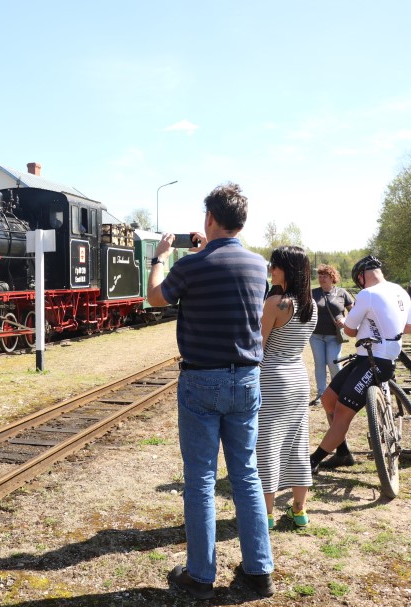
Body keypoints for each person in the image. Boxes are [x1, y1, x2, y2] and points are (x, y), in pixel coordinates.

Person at [147, 183, 274, 599]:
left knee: (201, 479)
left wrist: (160, 258)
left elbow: (154, 298)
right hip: (247, 379)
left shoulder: (192, 265)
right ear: (242, 222)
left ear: (209, 218)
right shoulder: (258, 266)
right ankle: (259, 571)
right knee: (246, 475)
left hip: (202, 379)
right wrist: (205, 252)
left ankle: (201, 576)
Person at [309, 255, 411, 472]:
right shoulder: (400, 290)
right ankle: (342, 453)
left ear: (361, 276)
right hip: (367, 358)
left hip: (374, 360)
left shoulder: (367, 294)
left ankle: (312, 460)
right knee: (328, 399)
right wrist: (386, 333)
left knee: (342, 412)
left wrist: (356, 327)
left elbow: (349, 330)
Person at [258, 246, 317, 530]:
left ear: (289, 269)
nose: (271, 270)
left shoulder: (276, 303)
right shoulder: (312, 305)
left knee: (267, 445)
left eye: (275, 266)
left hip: (272, 379)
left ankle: (266, 514)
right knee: (297, 443)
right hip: (298, 378)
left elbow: (258, 346)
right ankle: (299, 510)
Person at [308, 264, 354, 406]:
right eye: (320, 276)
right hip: (316, 336)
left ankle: (337, 392)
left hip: (334, 336)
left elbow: (354, 311)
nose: (321, 279)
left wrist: (345, 319)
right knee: (319, 364)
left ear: (332, 277)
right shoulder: (312, 293)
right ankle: (321, 394)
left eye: (325, 276)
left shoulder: (342, 293)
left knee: (333, 363)